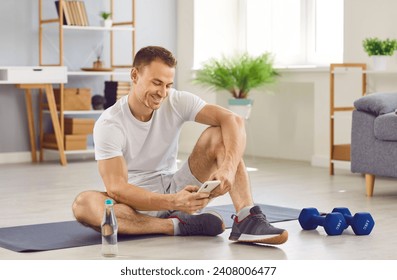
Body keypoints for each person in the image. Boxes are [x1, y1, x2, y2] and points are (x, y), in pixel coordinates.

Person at [72, 46, 288, 245]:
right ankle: (174, 225)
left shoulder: (175, 101)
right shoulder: (110, 123)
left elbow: (234, 120)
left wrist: (228, 170)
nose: (162, 93)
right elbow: (117, 189)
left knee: (219, 134)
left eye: (168, 85)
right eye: (156, 83)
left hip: (179, 188)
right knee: (84, 204)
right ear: (134, 75)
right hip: (136, 204)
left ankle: (246, 219)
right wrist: (173, 201)